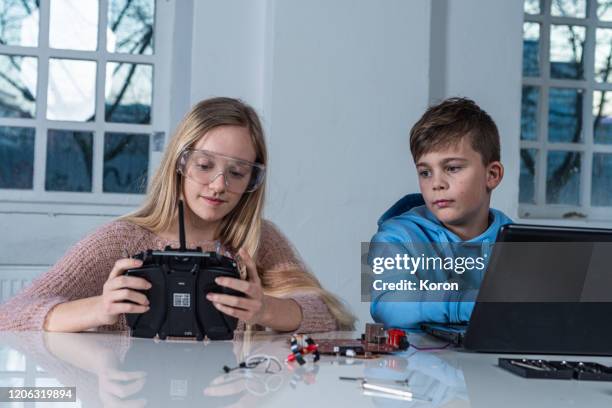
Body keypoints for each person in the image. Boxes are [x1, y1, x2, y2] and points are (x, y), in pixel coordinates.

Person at [0, 97, 355, 333]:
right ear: (179, 164)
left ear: (253, 179)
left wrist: (266, 311)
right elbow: (12, 313)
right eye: (204, 165)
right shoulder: (124, 240)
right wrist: (99, 309)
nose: (218, 186)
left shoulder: (256, 239)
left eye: (237, 173)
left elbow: (331, 314)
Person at [368, 97, 513, 330]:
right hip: (415, 364)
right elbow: (388, 305)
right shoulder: (394, 238)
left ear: (492, 175)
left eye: (452, 168)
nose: (436, 183)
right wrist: (478, 304)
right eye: (425, 172)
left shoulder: (518, 242)